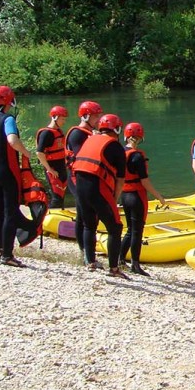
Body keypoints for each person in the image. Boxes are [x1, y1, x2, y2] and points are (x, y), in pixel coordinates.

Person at [0, 85, 34, 267]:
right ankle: (8, 255)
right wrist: (26, 152)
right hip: (8, 170)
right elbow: (12, 139)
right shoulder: (7, 119)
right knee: (10, 211)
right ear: (9, 101)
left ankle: (0, 249)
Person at [72, 114, 128, 279]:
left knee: (89, 224)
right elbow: (120, 180)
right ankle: (114, 269)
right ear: (117, 129)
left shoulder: (89, 139)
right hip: (97, 188)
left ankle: (90, 262)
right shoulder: (116, 147)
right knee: (115, 227)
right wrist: (115, 198)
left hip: (80, 187)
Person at [119, 122, 167, 277]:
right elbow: (144, 181)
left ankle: (120, 259)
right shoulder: (137, 156)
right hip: (136, 196)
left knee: (130, 230)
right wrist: (159, 197)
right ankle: (135, 264)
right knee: (137, 231)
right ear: (140, 137)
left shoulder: (120, 152)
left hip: (124, 195)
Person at [66, 100, 103, 260]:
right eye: (96, 116)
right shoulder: (77, 134)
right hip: (77, 179)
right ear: (86, 116)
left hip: (83, 178)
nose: (98, 119)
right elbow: (82, 156)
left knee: (83, 215)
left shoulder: (89, 133)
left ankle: (85, 251)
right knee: (84, 215)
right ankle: (85, 252)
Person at [35, 105, 68, 208]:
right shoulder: (46, 133)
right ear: (54, 117)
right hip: (53, 169)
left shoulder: (58, 132)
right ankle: (49, 218)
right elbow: (39, 153)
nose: (64, 121)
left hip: (61, 168)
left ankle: (59, 217)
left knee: (61, 195)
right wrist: (49, 169)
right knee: (56, 197)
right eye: (62, 119)